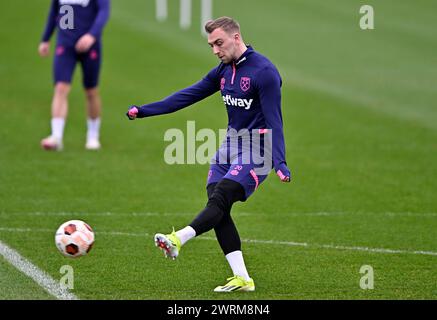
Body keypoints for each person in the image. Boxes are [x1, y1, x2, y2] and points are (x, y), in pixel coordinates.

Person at [127, 17, 291, 292]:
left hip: (258, 150)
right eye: (211, 45)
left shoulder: (264, 72)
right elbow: (186, 96)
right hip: (229, 147)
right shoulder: (223, 71)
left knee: (221, 197)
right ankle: (243, 279)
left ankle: (178, 239)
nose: (215, 50)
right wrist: (144, 110)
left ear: (236, 38)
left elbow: (275, 120)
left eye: (219, 43)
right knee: (218, 206)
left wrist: (280, 162)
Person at [39, 0, 110, 151]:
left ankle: (93, 135)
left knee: (91, 91)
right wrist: (45, 39)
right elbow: (54, 12)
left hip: (90, 46)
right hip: (65, 44)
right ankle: (56, 136)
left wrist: (92, 35)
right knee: (60, 88)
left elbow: (104, 12)